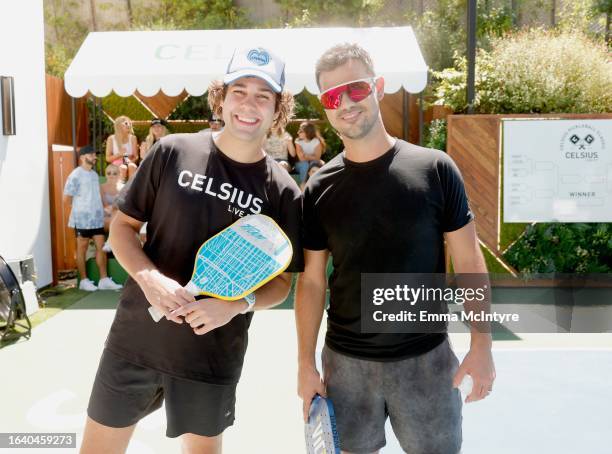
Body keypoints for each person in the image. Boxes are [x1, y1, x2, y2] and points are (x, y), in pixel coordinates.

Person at [80, 46, 303, 454]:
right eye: (240, 91)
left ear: (277, 110)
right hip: (136, 341)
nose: (248, 105)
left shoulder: (284, 192)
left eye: (263, 96)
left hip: (211, 357)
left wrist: (236, 305)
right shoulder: (172, 151)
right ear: (221, 97)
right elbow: (122, 229)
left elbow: (282, 283)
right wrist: (150, 280)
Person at [296, 43, 496, 454]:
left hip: (427, 362)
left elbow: (469, 260)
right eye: (334, 97)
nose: (347, 104)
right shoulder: (318, 189)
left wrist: (482, 342)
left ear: (378, 87)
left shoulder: (435, 168)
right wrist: (304, 363)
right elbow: (312, 282)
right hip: (346, 366)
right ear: (325, 106)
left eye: (356, 89)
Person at [63, 145, 123, 292]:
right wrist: (81, 210)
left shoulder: (94, 175)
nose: (95, 157)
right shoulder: (75, 175)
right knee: (81, 249)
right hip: (82, 220)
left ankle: (104, 280)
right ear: (83, 157)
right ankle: (83, 281)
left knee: (101, 248)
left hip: (96, 219)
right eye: (92, 155)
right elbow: (66, 199)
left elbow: (97, 197)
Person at [105, 115, 138, 182]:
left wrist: (130, 161)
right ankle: (119, 190)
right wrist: (119, 154)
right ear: (118, 126)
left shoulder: (133, 138)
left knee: (132, 166)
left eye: (129, 123)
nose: (128, 125)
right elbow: (108, 158)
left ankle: (131, 189)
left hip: (129, 162)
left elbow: (136, 156)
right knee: (123, 168)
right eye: (126, 123)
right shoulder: (111, 139)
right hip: (116, 164)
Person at [100, 164, 124, 252]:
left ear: (119, 174)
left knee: (117, 213)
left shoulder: (123, 187)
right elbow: (104, 205)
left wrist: (115, 209)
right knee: (115, 214)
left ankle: (110, 241)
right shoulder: (101, 187)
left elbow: (122, 205)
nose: (111, 175)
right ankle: (111, 242)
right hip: (106, 212)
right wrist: (112, 208)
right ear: (106, 175)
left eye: (114, 173)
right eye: (109, 173)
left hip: (118, 213)